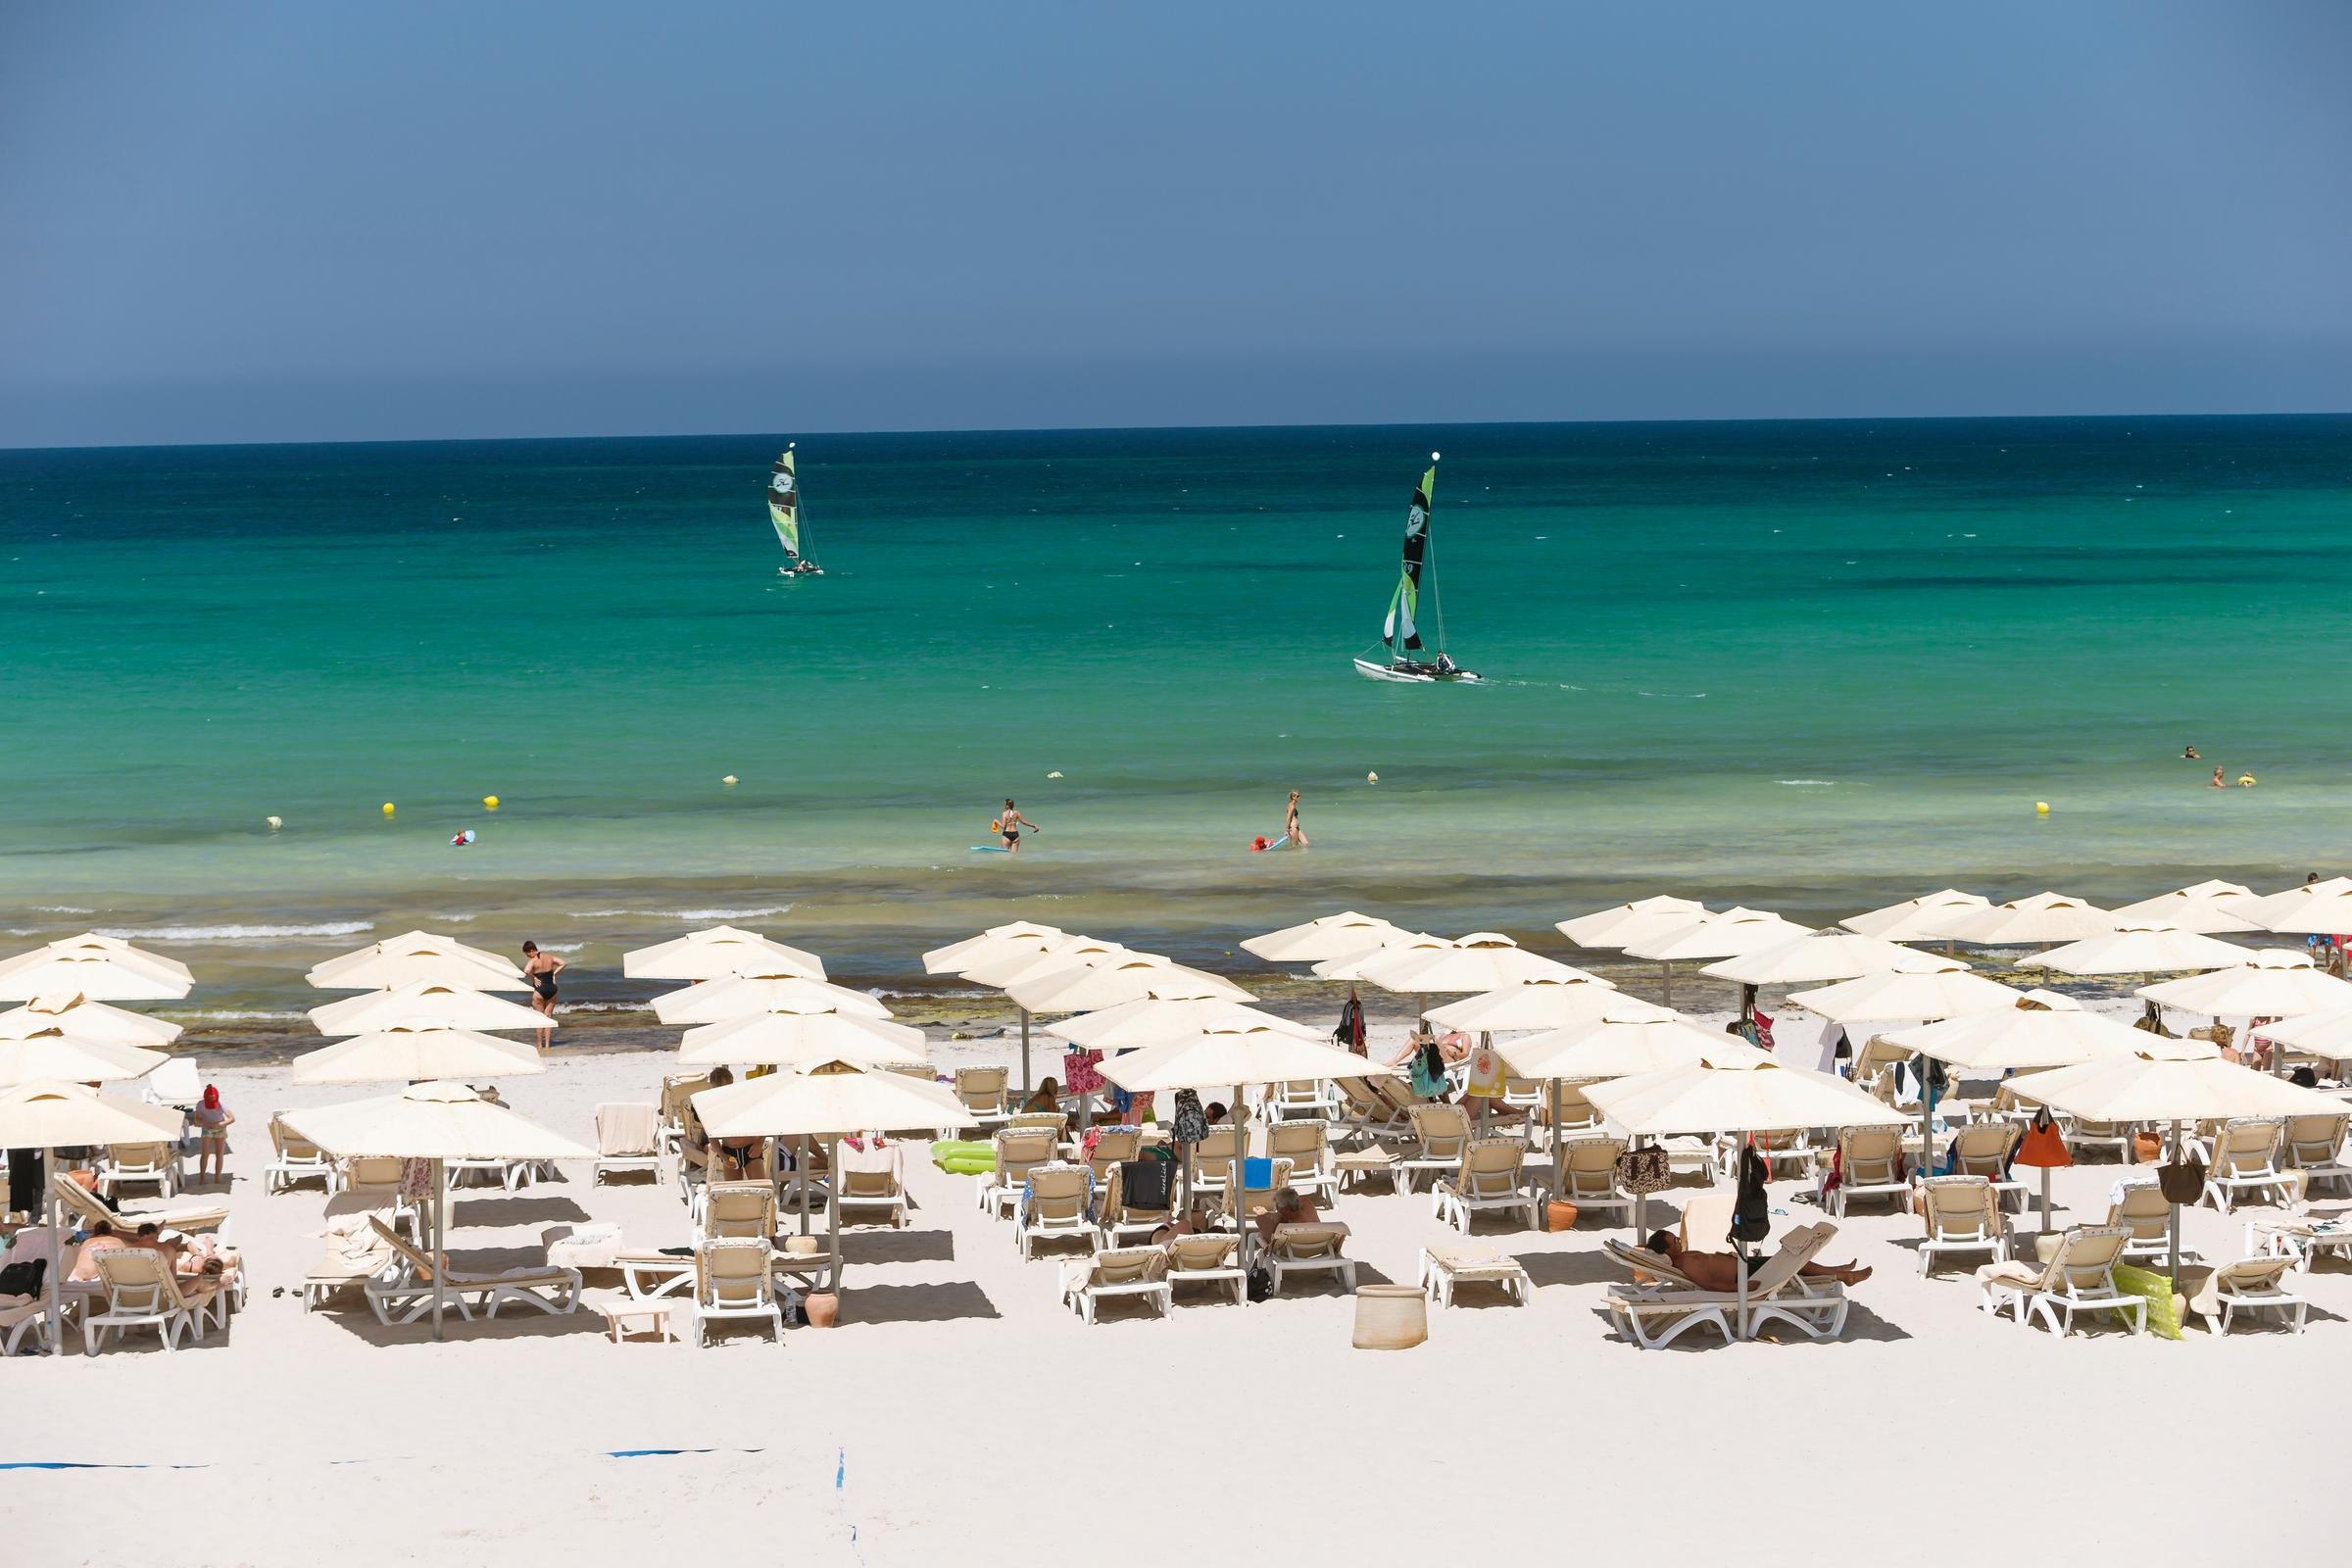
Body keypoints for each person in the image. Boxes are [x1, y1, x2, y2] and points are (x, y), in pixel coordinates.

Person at [1643, 1228, 1872, 1289]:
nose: (1679, 1240)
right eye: (1674, 1240)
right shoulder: (1686, 1264)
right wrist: (1742, 1289)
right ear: (1667, 1250)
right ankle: (1842, 1275)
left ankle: (1838, 1271)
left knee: (1795, 1262)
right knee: (1795, 1263)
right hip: (1744, 1275)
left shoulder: (1684, 1256)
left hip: (1744, 1265)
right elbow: (1710, 1284)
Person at [521, 940, 564, 1049]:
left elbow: (526, 971)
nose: (527, 956)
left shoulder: (533, 960)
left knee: (539, 1018)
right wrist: (554, 974)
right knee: (548, 1017)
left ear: (531, 951)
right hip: (552, 989)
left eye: (527, 954)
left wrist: (533, 978)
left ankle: (540, 1045)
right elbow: (563, 963)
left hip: (540, 990)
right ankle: (548, 1045)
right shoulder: (549, 956)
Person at [190, 1084, 233, 1186]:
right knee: (205, 1154)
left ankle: (217, 1177)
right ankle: (202, 1178)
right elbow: (197, 1119)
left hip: (220, 1129)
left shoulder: (221, 1104)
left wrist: (219, 1125)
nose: (211, 1100)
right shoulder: (200, 1104)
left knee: (219, 1154)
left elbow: (232, 1118)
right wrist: (204, 1123)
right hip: (207, 1129)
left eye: (213, 1099)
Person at [1253, 1186, 1321, 1249]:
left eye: (1277, 1208)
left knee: (1260, 1220)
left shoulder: (1287, 1230)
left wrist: (1262, 1217)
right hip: (1317, 1249)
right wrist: (1267, 1214)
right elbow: (1284, 1214)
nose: (1277, 1210)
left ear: (1286, 1209)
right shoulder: (1307, 1204)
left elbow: (1272, 1247)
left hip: (1294, 1253)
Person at [1333, 984, 1366, 1056]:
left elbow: (1346, 1019)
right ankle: (1352, 1053)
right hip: (1351, 1030)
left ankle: (1353, 1053)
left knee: (1352, 1044)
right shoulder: (1354, 1005)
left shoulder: (1357, 1005)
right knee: (1352, 1043)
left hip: (1353, 1030)